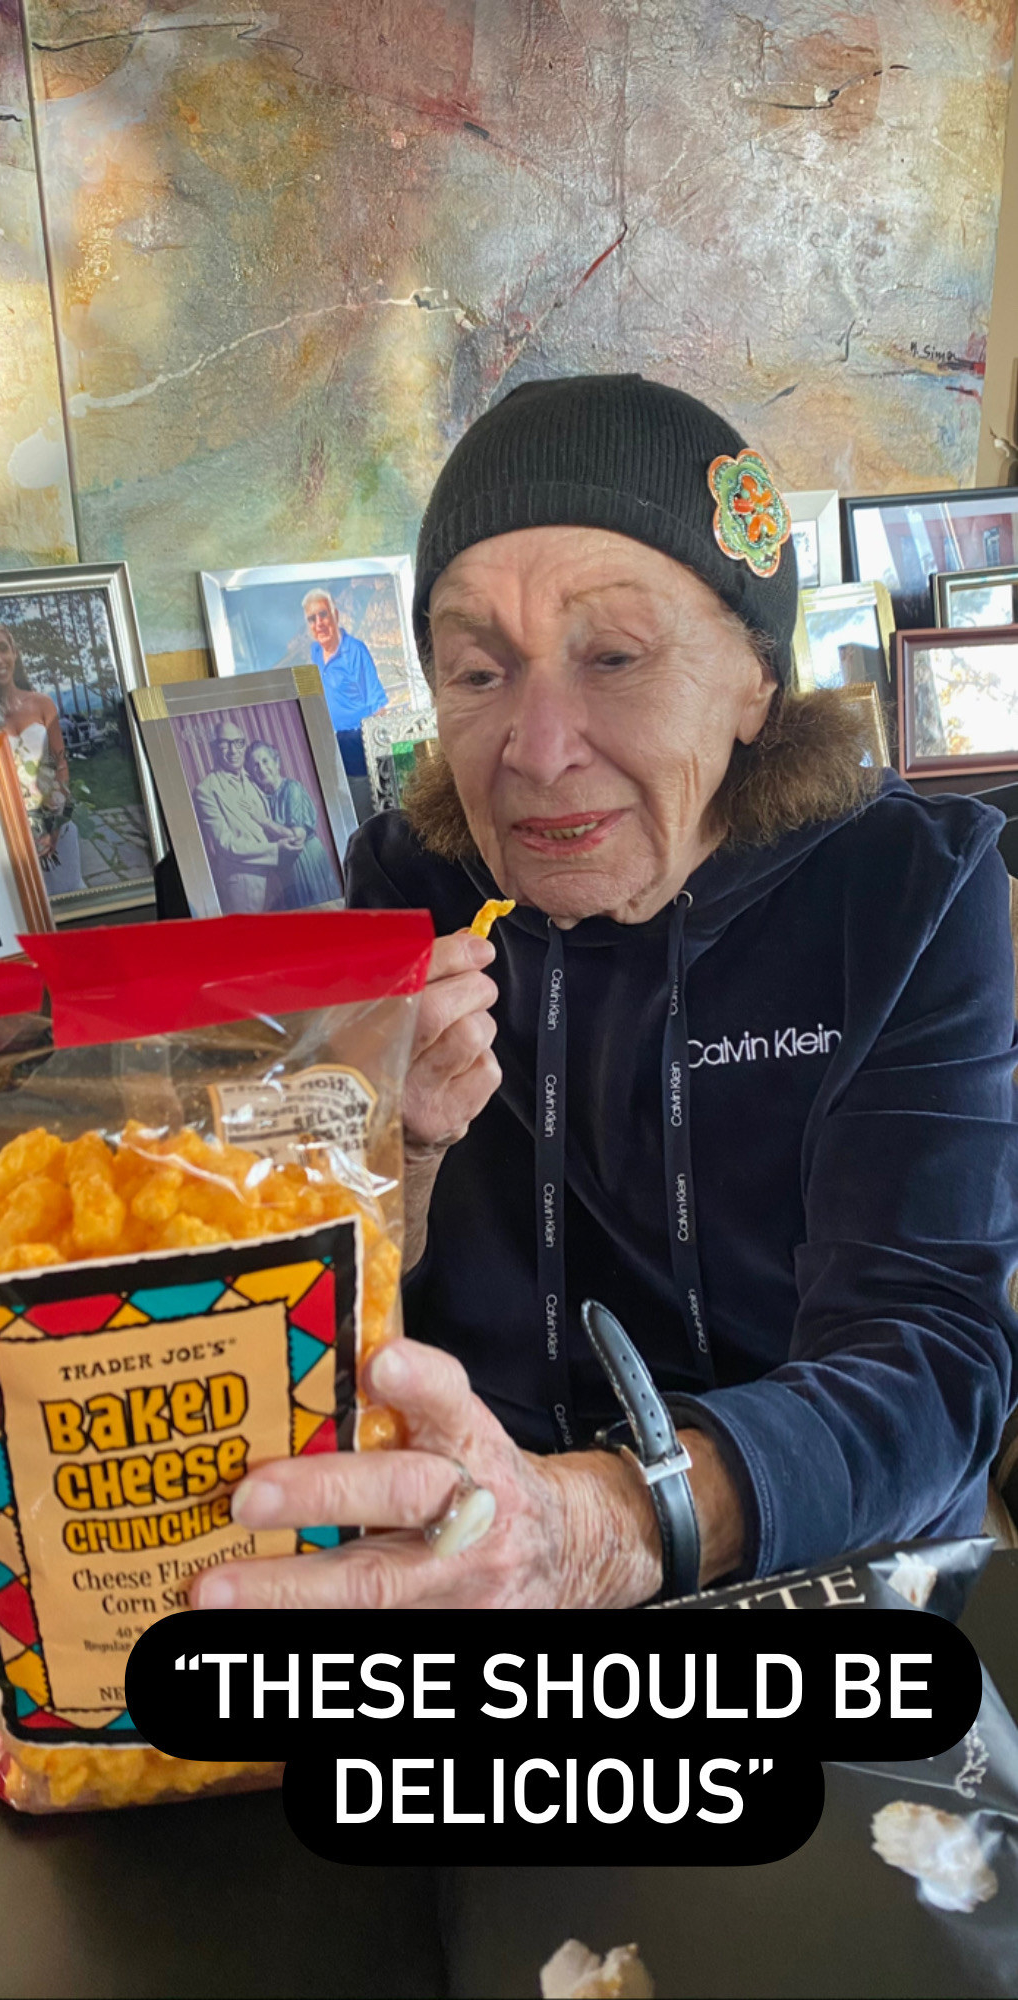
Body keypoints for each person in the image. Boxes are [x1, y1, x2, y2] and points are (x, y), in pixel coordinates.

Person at [190, 373, 1018, 1618]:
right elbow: (317, 1305)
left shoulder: (907, 894)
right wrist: (395, 1150)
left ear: (754, 679)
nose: (535, 747)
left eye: (614, 656)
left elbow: (929, 1361)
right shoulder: (407, 885)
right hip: (467, 1569)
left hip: (826, 1577)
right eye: (477, 671)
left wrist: (600, 1524)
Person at [0, 620, 86, 896]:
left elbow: (61, 767)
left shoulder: (42, 704)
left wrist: (55, 825)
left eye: (3, 648)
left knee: (72, 899)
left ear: (15, 653)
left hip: (56, 823)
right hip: (13, 837)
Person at [193, 718, 287, 912]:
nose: (233, 750)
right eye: (224, 743)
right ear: (214, 747)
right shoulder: (206, 790)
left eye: (238, 743)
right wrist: (276, 850)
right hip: (243, 887)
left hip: (275, 882)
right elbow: (226, 844)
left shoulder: (255, 777)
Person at [245, 740, 340, 908]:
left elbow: (297, 837)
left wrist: (263, 821)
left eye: (265, 761)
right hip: (290, 867)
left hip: (307, 858)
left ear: (276, 762)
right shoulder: (265, 798)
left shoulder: (292, 789)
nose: (261, 768)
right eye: (255, 765)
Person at [304, 590, 388, 734]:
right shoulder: (315, 651)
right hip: (329, 742)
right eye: (312, 619)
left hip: (356, 740)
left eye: (323, 615)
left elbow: (378, 708)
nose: (319, 624)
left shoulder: (355, 651)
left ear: (335, 615)